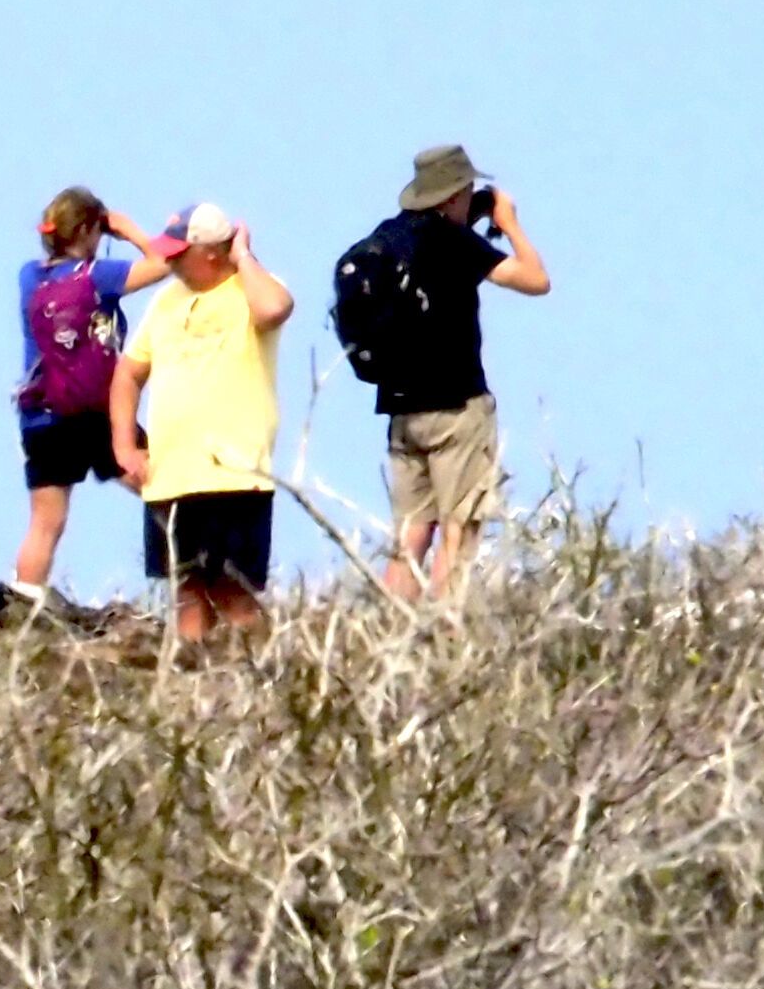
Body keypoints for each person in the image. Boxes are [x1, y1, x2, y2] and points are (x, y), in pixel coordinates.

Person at [328, 143, 552, 598]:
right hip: (455, 407)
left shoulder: (388, 237)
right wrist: (509, 224)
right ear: (455, 194)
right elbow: (536, 280)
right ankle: (447, 627)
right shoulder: (453, 242)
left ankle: (393, 627)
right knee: (458, 530)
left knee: (409, 538)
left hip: (402, 411)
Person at [113, 203, 291, 651]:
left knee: (233, 593)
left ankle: (262, 670)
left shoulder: (250, 290)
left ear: (211, 251)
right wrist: (124, 446)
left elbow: (274, 309)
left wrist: (242, 255)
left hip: (235, 474)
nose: (169, 262)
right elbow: (128, 374)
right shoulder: (165, 302)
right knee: (188, 593)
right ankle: (191, 678)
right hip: (170, 476)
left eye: (179, 253)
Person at [0, 188, 179, 613]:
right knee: (164, 483)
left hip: (42, 412)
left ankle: (22, 602)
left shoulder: (29, 277)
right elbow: (163, 263)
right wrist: (129, 229)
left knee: (45, 523)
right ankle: (195, 586)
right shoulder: (98, 276)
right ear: (86, 230)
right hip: (95, 412)